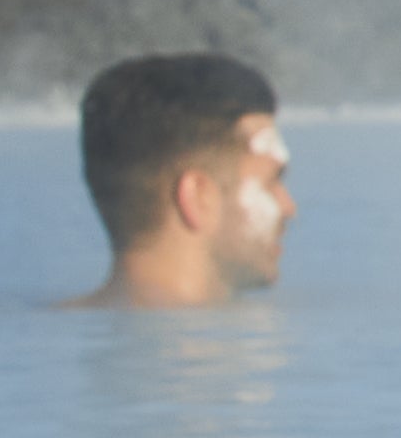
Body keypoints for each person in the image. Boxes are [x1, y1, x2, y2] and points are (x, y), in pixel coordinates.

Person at [69, 52, 293, 309]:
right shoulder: (223, 332)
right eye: (271, 182)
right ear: (199, 197)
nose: (289, 208)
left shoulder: (57, 325)